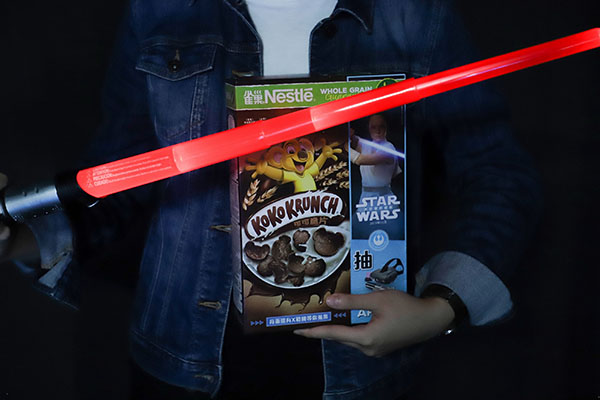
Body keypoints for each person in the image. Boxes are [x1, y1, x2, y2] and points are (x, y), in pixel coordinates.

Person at [0, 0, 541, 398]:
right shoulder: (162, 11)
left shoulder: (415, 15)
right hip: (180, 365)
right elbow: (117, 186)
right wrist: (18, 240)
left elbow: (498, 173)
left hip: (358, 369)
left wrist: (441, 308)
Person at [349, 113, 405, 240]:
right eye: (374, 127)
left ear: (386, 128)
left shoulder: (389, 148)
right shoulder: (366, 145)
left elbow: (359, 160)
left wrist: (347, 148)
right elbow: (357, 141)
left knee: (389, 234)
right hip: (365, 198)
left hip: (384, 199)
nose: (378, 130)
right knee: (360, 234)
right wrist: (349, 135)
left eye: (381, 126)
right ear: (369, 129)